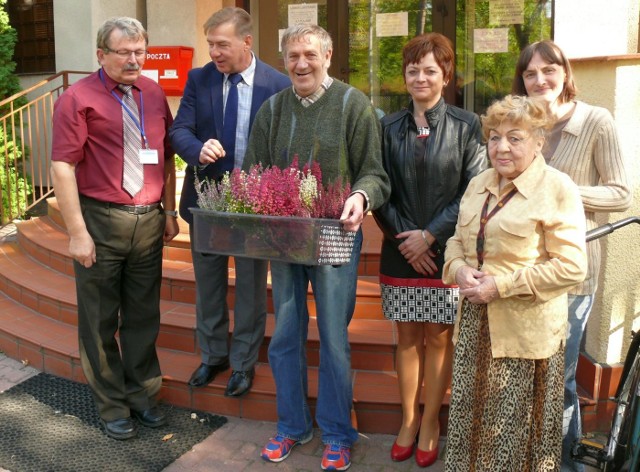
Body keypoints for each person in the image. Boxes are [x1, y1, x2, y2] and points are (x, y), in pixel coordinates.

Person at [242, 24, 390, 471]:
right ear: (284, 60)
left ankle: (337, 433)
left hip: (334, 238)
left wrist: (360, 197)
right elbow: (254, 172)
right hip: (285, 241)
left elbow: (375, 173)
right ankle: (291, 426)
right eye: (292, 56)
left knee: (333, 339)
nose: (301, 64)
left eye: (309, 54)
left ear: (327, 55)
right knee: (285, 336)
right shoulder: (272, 109)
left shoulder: (352, 104)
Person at [442, 95, 588, 470]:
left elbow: (572, 267)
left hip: (525, 334)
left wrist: (501, 286)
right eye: (494, 137)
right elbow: (456, 242)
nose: (501, 147)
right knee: (470, 423)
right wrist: (458, 269)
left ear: (539, 141)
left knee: (512, 433)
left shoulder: (558, 189)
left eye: (515, 138)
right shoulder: (478, 183)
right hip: (475, 326)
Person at [50, 17, 178, 440]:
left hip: (148, 222)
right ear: (101, 54)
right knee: (100, 319)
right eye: (123, 51)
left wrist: (170, 210)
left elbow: (163, 156)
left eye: (139, 51)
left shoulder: (154, 93)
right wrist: (77, 232)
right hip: (100, 221)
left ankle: (142, 395)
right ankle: (111, 404)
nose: (133, 59)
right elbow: (63, 167)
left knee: (144, 316)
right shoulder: (77, 98)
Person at [512, 40, 632, 472]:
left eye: (548, 70)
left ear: (564, 73)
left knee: (558, 378)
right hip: (519, 272)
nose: (540, 80)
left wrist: (561, 191)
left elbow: (620, 194)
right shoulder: (520, 124)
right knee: (527, 376)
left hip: (571, 272)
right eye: (530, 74)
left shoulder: (596, 121)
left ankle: (564, 465)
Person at [372, 33, 485, 468]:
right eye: (413, 69)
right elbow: (378, 187)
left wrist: (431, 236)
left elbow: (472, 190)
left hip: (446, 250)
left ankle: (433, 423)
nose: (421, 77)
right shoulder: (386, 127)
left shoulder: (466, 125)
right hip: (399, 247)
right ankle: (407, 420)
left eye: (430, 70)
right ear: (405, 76)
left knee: (438, 338)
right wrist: (408, 238)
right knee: (406, 336)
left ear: (446, 75)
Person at [169, 7, 290, 397]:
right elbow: (179, 130)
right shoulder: (199, 79)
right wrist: (196, 147)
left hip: (254, 206)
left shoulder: (277, 84)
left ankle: (243, 363)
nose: (215, 53)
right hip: (206, 201)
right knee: (208, 285)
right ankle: (213, 356)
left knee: (252, 286)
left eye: (222, 44)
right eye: (211, 45)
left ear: (246, 42)